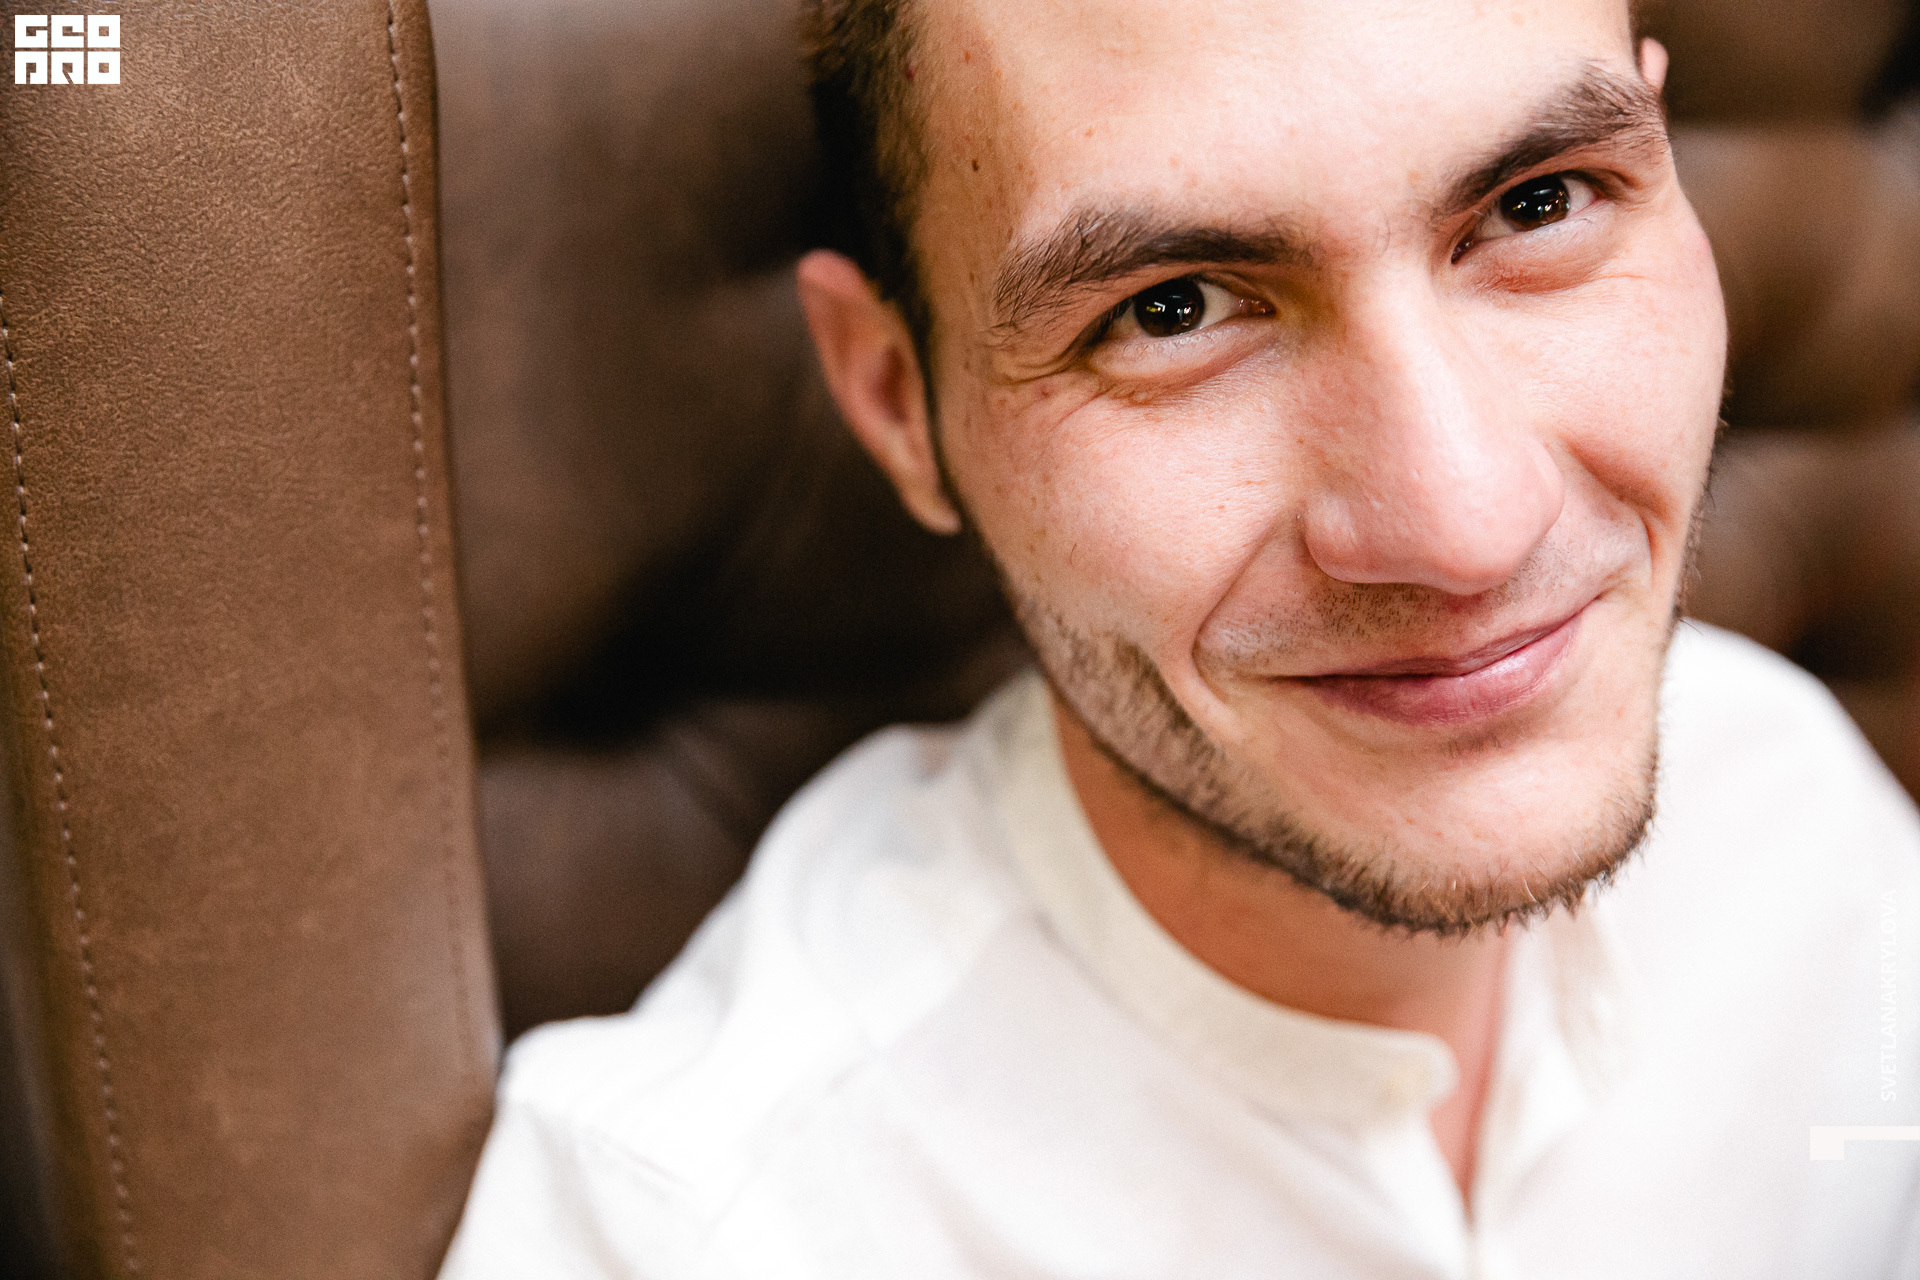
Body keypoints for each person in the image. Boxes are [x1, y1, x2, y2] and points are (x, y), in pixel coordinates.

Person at [441, 1, 1920, 1274]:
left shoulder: (1790, 810)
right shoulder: (692, 1229)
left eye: (1542, 204)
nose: (1467, 526)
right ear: (896, 400)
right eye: (1174, 308)